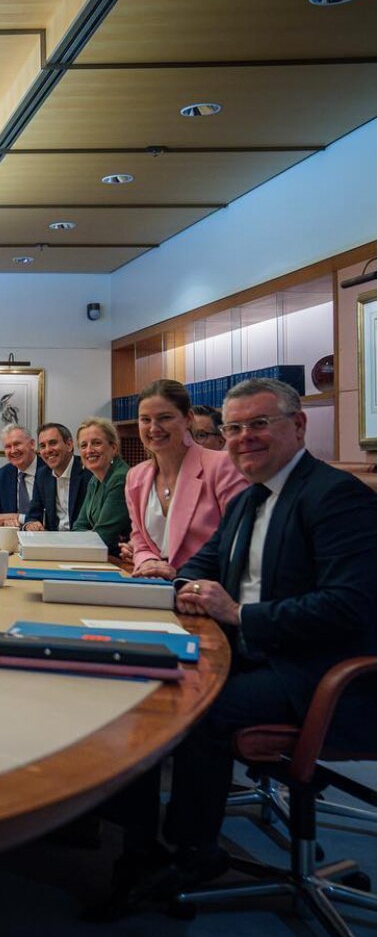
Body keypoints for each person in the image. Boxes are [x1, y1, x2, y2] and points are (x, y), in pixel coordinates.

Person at [107, 378, 376, 908]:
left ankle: (193, 851)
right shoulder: (250, 496)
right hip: (248, 651)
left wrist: (239, 614)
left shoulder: (336, 496)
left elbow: (349, 608)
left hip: (314, 674)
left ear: (298, 426)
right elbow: (204, 563)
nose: (242, 438)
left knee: (194, 710)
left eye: (259, 424)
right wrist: (182, 586)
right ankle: (138, 847)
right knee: (142, 685)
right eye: (233, 428)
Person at [125, 379, 247, 579]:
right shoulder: (135, 476)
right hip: (154, 587)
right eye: (145, 420)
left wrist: (180, 575)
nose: (154, 428)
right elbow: (140, 542)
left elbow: (238, 543)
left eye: (165, 418)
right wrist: (148, 563)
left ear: (188, 418)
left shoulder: (223, 467)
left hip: (205, 588)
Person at [71, 417, 131, 553]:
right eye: (83, 446)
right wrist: (93, 534)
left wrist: (94, 534)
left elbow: (104, 538)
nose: (89, 450)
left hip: (122, 558)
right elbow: (78, 527)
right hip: (101, 554)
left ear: (113, 448)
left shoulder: (120, 478)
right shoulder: (94, 479)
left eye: (96, 443)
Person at [24, 422, 88, 532]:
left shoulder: (88, 471)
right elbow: (33, 515)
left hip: (81, 538)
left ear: (69, 445)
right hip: (52, 539)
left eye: (53, 443)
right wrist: (31, 524)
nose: (47, 450)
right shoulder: (42, 475)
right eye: (42, 446)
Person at [0, 425, 49, 528]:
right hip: (12, 533)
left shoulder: (49, 470)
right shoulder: (4, 474)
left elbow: (50, 517)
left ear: (32, 444)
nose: (13, 451)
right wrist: (4, 521)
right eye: (8, 446)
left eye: (17, 444)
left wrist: (18, 517)